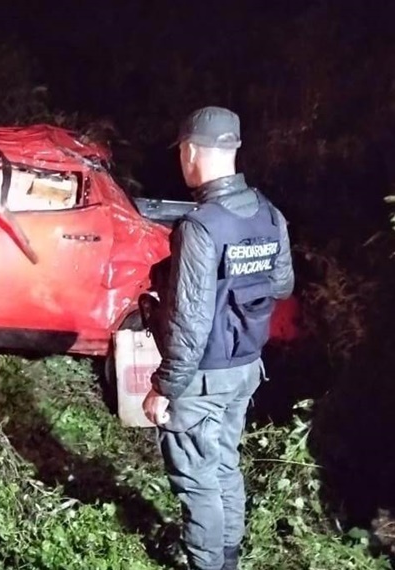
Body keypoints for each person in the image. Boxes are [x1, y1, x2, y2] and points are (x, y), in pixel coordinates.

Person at [141, 106, 295, 570]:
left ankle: (207, 564)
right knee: (224, 462)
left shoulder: (200, 226)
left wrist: (163, 388)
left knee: (196, 477)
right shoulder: (270, 215)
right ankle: (227, 556)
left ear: (190, 152)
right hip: (246, 367)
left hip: (203, 375)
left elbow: (189, 323)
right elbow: (282, 284)